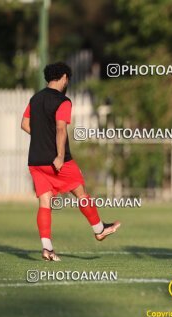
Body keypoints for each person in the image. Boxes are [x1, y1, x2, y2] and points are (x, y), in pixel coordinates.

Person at [21, 62, 120, 261]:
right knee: (80, 192)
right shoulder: (63, 101)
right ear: (65, 77)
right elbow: (60, 129)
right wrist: (58, 155)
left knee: (44, 203)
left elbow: (24, 124)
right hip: (59, 160)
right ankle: (99, 229)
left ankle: (47, 248)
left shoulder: (35, 98)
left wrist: (41, 138)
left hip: (35, 160)